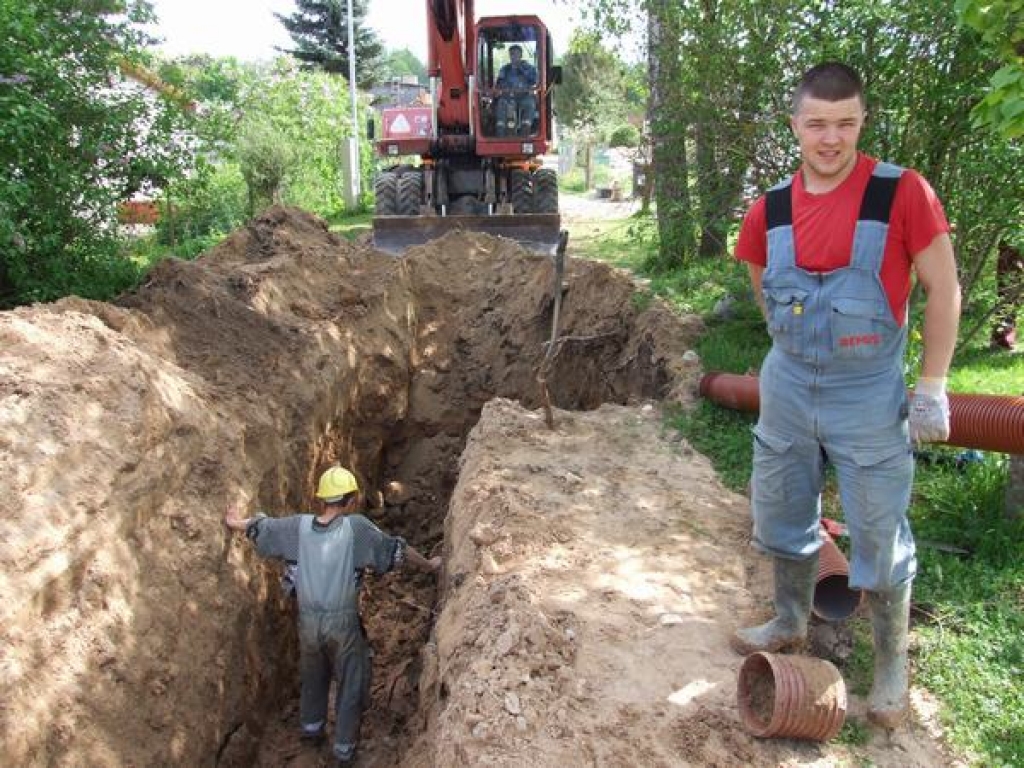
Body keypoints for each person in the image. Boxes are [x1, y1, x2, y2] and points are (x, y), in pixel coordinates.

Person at [731, 62, 961, 729]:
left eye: (847, 123)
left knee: (879, 529)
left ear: (862, 120)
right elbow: (765, 295)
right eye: (817, 124)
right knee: (779, 508)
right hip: (790, 385)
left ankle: (890, 665)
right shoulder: (768, 211)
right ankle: (787, 617)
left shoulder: (903, 194)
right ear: (795, 124)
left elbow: (943, 290)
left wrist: (933, 386)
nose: (831, 138)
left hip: (867, 393)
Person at [224, 466, 441, 764]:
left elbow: (262, 527)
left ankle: (311, 730)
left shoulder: (297, 528)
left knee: (313, 674)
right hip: (343, 624)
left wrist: (236, 522)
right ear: (351, 500)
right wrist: (431, 564)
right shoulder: (357, 529)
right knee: (351, 681)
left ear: (321, 499)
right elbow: (397, 551)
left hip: (308, 623)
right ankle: (344, 750)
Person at [495, 44, 538, 136]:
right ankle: (501, 133)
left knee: (530, 103)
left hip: (524, 96)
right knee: (502, 102)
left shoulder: (529, 68)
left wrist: (522, 71)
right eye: (511, 54)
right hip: (508, 97)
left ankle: (525, 130)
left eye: (516, 54)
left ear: (521, 55)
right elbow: (499, 84)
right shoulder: (505, 69)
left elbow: (535, 81)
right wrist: (502, 88)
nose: (514, 56)